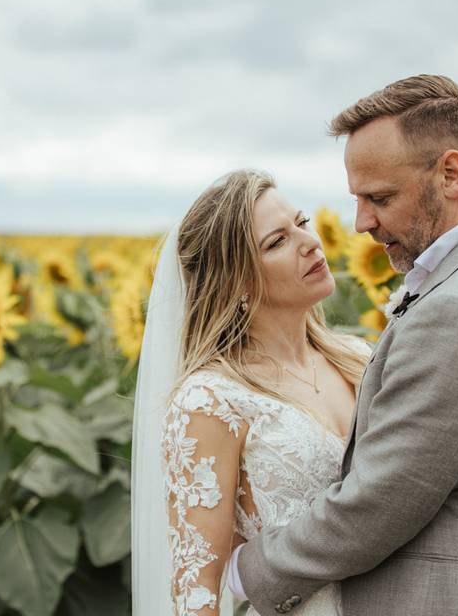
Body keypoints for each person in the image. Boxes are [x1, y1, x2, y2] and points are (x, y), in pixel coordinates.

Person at [227, 75, 458, 615]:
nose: (361, 222)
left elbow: (380, 503)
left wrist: (247, 573)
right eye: (357, 198)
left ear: (451, 173)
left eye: (380, 197)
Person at [130, 168, 369, 616]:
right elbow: (196, 591)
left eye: (301, 223)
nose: (309, 243)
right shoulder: (211, 401)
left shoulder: (360, 359)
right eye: (277, 242)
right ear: (236, 283)